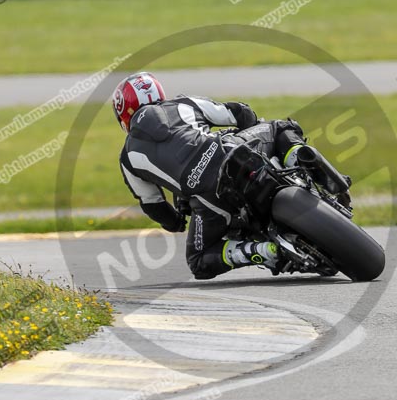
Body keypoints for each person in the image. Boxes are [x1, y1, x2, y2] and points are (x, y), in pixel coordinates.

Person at [113, 71, 348, 280]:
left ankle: (261, 251)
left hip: (209, 199)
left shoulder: (127, 158)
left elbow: (153, 204)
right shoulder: (183, 104)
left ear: (123, 114)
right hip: (233, 153)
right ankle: (329, 180)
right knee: (280, 128)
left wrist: (176, 222)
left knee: (199, 261)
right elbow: (238, 113)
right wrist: (251, 124)